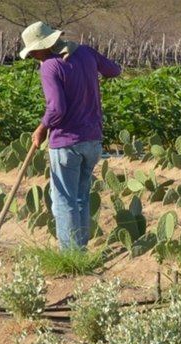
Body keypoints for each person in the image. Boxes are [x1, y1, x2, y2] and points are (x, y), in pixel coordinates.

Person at [19, 21, 122, 250]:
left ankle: (69, 254)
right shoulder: (85, 52)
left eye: (34, 51)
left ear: (44, 46)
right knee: (81, 198)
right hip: (93, 141)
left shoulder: (49, 66)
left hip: (66, 142)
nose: (34, 56)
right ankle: (80, 250)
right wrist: (87, 70)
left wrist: (41, 128)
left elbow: (56, 109)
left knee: (64, 201)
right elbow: (114, 70)